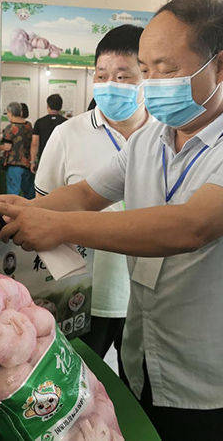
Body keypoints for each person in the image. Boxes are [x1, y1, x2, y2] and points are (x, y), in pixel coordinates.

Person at [0, 0, 223, 440]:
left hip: (221, 382)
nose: (151, 84)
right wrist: (22, 209)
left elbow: (190, 226)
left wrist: (56, 227)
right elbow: (89, 194)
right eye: (146, 71)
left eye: (166, 70)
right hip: (144, 359)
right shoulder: (150, 141)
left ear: (221, 66)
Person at [34, 25, 147, 372]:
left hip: (146, 299)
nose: (110, 85)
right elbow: (44, 206)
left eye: (124, 76)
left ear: (150, 77)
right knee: (77, 382)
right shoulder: (68, 134)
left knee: (140, 392)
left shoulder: (167, 135)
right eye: (102, 75)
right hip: (83, 294)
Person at [0, 102, 34, 198]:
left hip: (14, 164)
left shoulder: (10, 128)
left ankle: (12, 213)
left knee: (13, 194)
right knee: (28, 193)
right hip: (27, 163)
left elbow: (7, 147)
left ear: (10, 112)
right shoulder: (29, 125)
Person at [30, 94, 67, 173]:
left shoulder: (39, 122)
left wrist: (32, 162)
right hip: (61, 161)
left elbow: (34, 143)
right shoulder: (66, 122)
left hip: (44, 159)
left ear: (48, 106)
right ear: (61, 106)